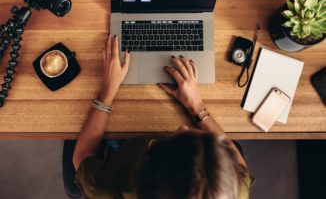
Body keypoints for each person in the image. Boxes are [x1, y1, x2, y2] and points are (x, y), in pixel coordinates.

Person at [73, 35, 254, 199]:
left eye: (180, 136)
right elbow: (238, 164)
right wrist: (197, 107)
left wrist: (108, 89)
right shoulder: (234, 190)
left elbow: (81, 155)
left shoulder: (108, 189)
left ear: (149, 162)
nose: (183, 127)